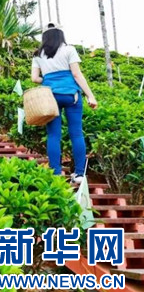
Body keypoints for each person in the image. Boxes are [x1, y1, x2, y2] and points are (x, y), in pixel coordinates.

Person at [31, 24, 98, 184]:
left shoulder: (38, 54)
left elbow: (34, 78)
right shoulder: (69, 49)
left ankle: (55, 174)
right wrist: (90, 96)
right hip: (71, 95)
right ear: (60, 35)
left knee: (53, 135)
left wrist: (49, 80)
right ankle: (79, 174)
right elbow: (76, 74)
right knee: (76, 134)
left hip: (51, 97)